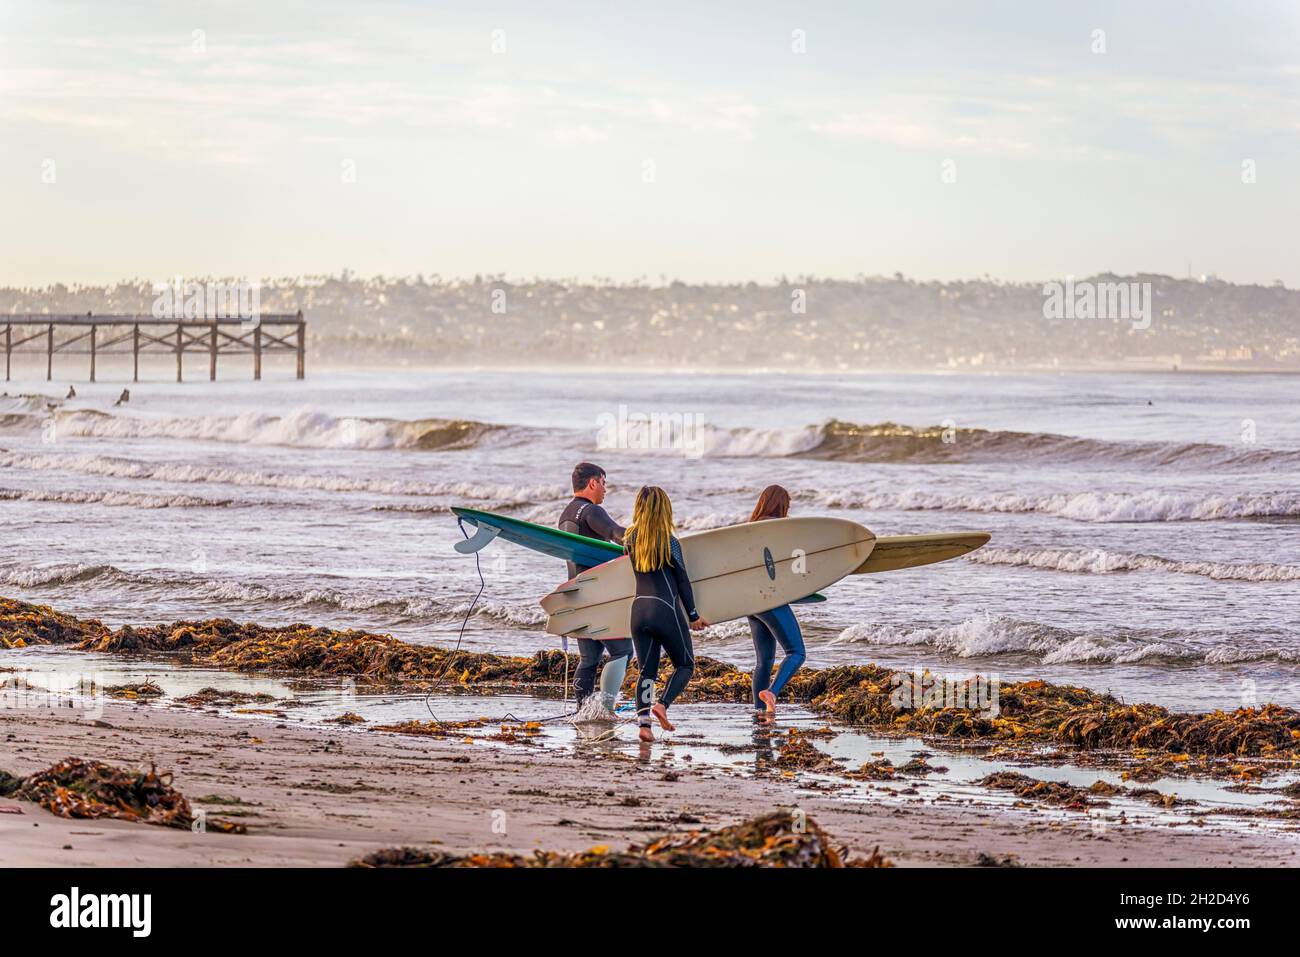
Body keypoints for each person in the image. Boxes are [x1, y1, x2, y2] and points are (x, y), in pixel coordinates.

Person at [624, 486, 708, 742]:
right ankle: (663, 705)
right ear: (665, 510)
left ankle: (644, 726)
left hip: (638, 612)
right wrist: (693, 615)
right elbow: (683, 581)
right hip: (666, 610)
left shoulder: (629, 539)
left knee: (646, 672)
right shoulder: (670, 542)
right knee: (685, 664)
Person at [558, 462, 633, 714]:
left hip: (576, 595)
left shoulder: (567, 514)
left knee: (589, 659)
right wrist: (645, 540)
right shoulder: (591, 511)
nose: (605, 489)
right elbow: (616, 533)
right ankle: (604, 708)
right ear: (593, 483)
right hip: (597, 597)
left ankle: (583, 710)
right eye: (603, 482)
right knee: (623, 652)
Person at [745, 485, 807, 719]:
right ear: (783, 505)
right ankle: (771, 692)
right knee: (797, 652)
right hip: (770, 598)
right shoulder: (780, 529)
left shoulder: (748, 529)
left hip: (749, 602)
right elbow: (794, 565)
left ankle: (759, 712)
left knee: (764, 660)